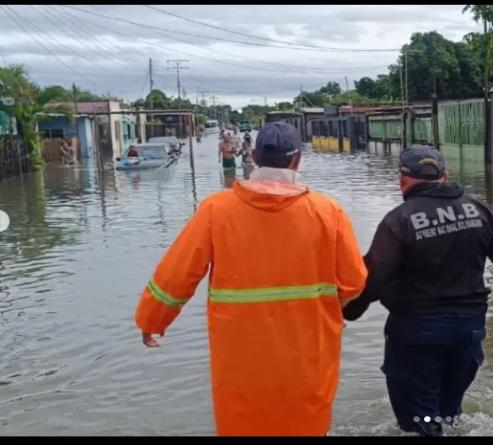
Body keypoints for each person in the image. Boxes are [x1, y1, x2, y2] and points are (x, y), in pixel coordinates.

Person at [134, 121, 368, 436]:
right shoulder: (328, 212)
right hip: (308, 356)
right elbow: (354, 281)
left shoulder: (216, 209)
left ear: (254, 158)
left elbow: (177, 275)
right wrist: (322, 308)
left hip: (240, 361)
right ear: (297, 160)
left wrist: (152, 319)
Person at [343, 145, 493, 437]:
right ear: (444, 176)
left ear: (402, 179)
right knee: (448, 412)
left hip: (417, 330)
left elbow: (375, 276)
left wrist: (349, 310)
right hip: (468, 330)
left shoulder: (399, 221)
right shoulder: (480, 210)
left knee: (419, 419)